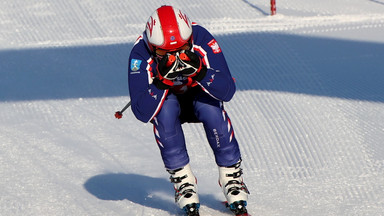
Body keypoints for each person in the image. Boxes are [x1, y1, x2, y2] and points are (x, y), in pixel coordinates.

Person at [127, 5, 249, 215]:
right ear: (152, 46)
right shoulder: (140, 54)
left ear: (190, 40)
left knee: (211, 109)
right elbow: (141, 111)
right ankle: (183, 180)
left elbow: (227, 90)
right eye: (165, 53)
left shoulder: (202, 38)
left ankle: (231, 176)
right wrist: (160, 83)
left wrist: (202, 73)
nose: (175, 58)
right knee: (164, 114)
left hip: (198, 96)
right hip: (168, 99)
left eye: (182, 50)